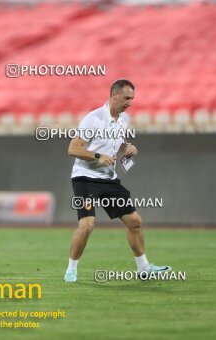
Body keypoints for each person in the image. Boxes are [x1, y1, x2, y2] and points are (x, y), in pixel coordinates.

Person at [64, 79, 171, 283]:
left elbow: (117, 142)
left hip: (109, 178)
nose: (130, 102)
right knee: (87, 225)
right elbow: (73, 149)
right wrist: (97, 156)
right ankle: (71, 270)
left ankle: (144, 268)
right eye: (127, 98)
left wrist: (127, 148)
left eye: (132, 99)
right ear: (114, 95)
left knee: (135, 221)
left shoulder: (124, 119)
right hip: (85, 177)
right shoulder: (93, 119)